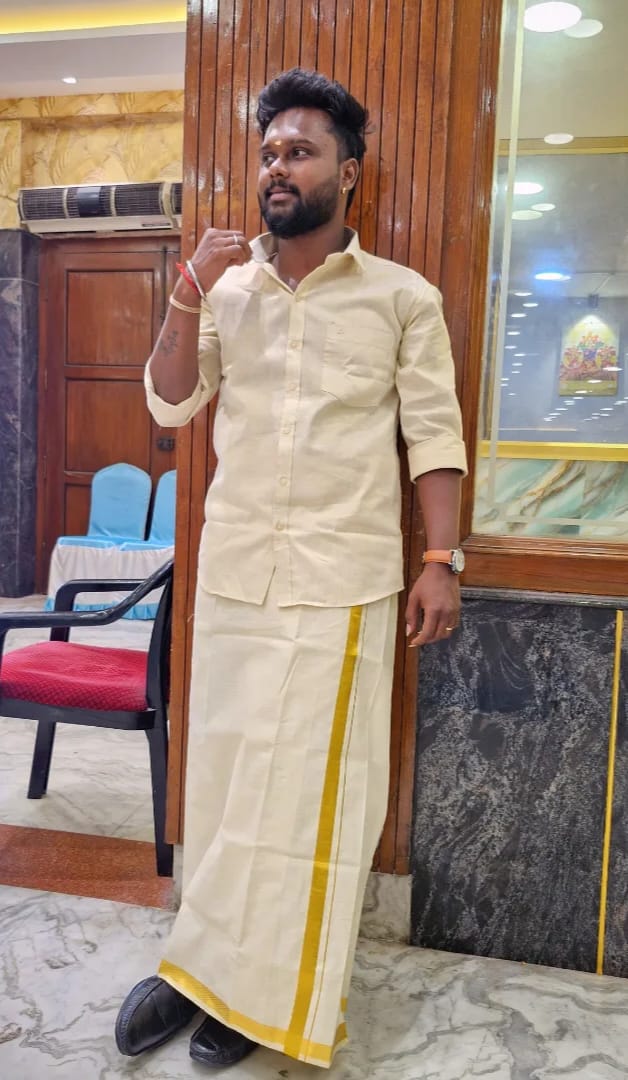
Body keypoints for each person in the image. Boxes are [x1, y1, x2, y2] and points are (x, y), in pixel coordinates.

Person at [115, 67, 467, 1071]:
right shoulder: (225, 290)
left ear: (347, 173)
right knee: (226, 784)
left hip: (344, 584)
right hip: (235, 575)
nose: (278, 166)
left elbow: (432, 435)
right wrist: (185, 291)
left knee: (309, 800)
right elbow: (170, 403)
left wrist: (439, 559)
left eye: (300, 151)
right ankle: (195, 968)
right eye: (269, 152)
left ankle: (262, 994)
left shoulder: (403, 298)